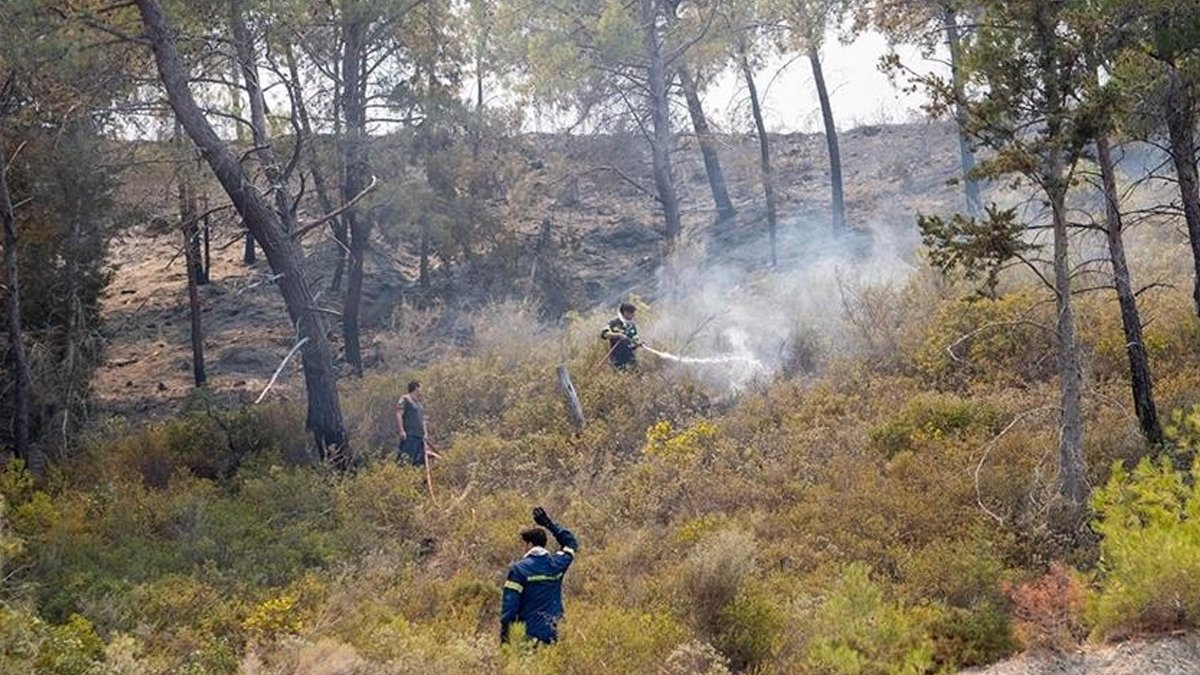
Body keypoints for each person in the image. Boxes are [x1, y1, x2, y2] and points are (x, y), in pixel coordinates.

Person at [500, 507, 578, 645]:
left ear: (529, 544)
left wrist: (505, 634)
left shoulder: (519, 569)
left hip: (528, 635)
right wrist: (548, 524)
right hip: (554, 633)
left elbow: (510, 606)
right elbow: (571, 543)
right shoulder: (557, 565)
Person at [600, 302, 641, 370]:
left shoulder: (631, 325)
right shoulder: (614, 323)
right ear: (625, 312)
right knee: (619, 374)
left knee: (635, 374)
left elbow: (634, 340)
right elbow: (604, 334)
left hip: (630, 357)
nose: (633, 315)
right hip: (617, 357)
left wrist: (638, 344)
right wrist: (618, 335)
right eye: (632, 313)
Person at [395, 380, 427, 466]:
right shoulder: (405, 399)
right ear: (416, 388)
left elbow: (422, 419)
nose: (422, 390)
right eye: (421, 387)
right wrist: (401, 431)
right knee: (405, 460)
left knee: (418, 462)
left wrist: (425, 433)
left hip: (419, 437)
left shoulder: (419, 403)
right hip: (409, 435)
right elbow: (399, 414)